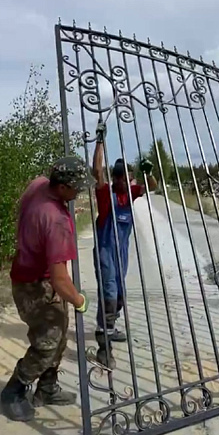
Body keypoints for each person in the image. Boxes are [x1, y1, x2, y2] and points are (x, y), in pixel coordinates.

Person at [1, 156, 93, 422]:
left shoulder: (38, 184)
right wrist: (79, 300)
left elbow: (25, 210)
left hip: (30, 272)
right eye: (77, 186)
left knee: (59, 333)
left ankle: (47, 387)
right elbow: (60, 279)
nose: (80, 191)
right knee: (46, 343)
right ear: (62, 187)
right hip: (34, 285)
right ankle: (14, 390)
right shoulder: (56, 221)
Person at [92, 121, 157, 367]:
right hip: (106, 253)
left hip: (122, 255)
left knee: (118, 295)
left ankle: (110, 326)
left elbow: (152, 187)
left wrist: (148, 173)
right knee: (108, 293)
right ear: (117, 179)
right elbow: (96, 171)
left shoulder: (130, 194)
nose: (131, 182)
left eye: (132, 179)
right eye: (127, 179)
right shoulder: (106, 194)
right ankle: (103, 344)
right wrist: (100, 141)